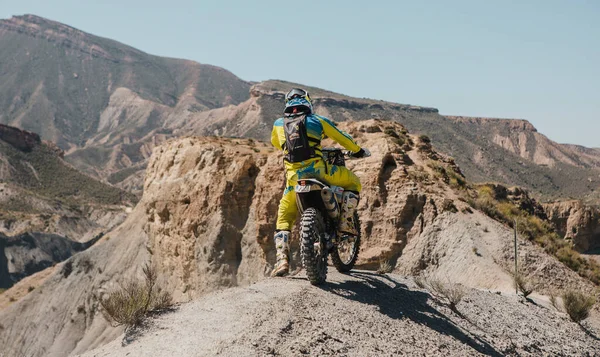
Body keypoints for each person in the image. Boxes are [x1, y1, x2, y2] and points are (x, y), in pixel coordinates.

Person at [270, 88, 370, 277]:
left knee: (283, 220)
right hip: (321, 172)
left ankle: (281, 260)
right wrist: (357, 150)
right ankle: (346, 221)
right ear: (307, 102)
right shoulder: (317, 120)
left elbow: (276, 143)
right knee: (354, 182)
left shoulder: (278, 124)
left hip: (294, 180)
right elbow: (343, 138)